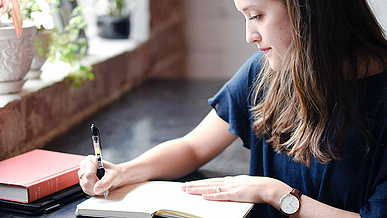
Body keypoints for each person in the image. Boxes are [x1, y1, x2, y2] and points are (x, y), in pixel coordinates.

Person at [78, 0, 387, 217]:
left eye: (256, 15)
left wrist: (276, 194)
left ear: (308, 11)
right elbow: (193, 147)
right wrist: (123, 172)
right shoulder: (266, 71)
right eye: (245, 17)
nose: (249, 36)